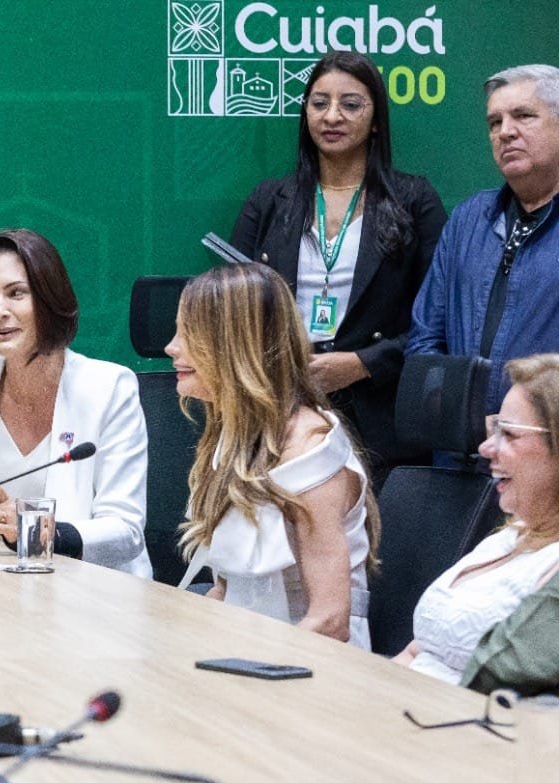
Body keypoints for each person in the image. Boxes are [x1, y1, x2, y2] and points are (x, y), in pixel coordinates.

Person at [230, 50, 445, 484]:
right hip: (279, 411)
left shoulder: (413, 200)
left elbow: (441, 319)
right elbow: (232, 311)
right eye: (319, 103)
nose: (332, 116)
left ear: (376, 119)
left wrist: (363, 362)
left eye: (350, 104)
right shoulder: (269, 202)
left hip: (382, 419)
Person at [168, 262, 378, 645]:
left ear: (235, 346)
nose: (172, 347)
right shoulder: (232, 438)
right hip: (244, 646)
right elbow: (227, 591)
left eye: (189, 333)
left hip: (311, 662)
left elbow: (329, 621)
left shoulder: (311, 451)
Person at [0, 229, 151, 576]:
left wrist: (40, 529)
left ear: (49, 299)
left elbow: (126, 531)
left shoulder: (107, 388)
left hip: (95, 590)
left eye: (16, 293)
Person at [407, 64, 559, 415]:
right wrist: (460, 419)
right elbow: (426, 339)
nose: (505, 132)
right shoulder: (468, 218)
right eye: (494, 122)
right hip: (464, 441)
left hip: (547, 438)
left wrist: (519, 422)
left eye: (523, 116)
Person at [398, 355, 559, 684]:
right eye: (494, 429)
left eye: (509, 434)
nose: (486, 448)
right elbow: (418, 651)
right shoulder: (505, 538)